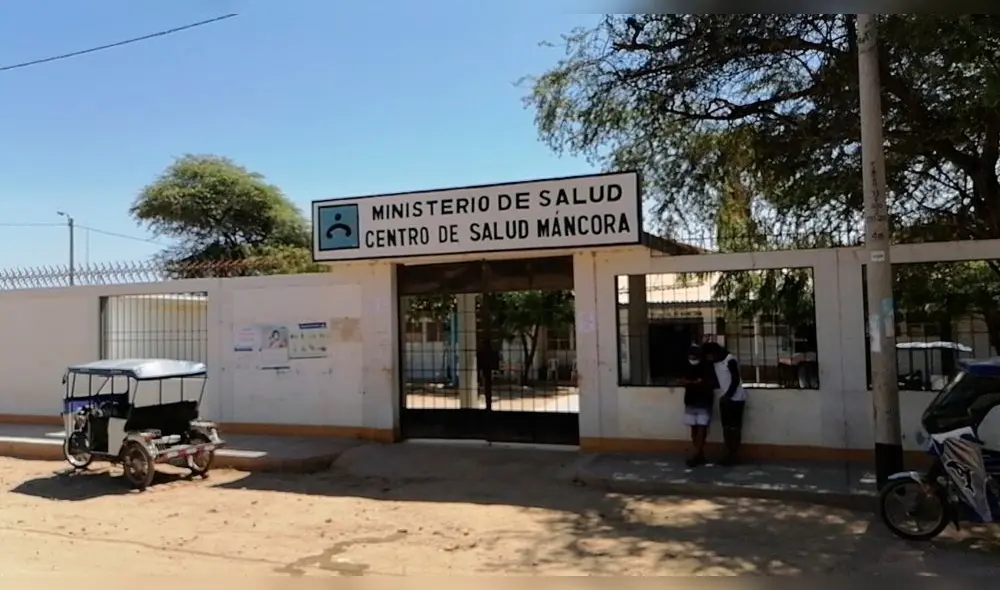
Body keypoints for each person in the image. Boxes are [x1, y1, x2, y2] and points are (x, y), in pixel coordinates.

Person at [702, 341, 747, 466]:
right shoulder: (715, 362)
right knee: (726, 428)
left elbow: (735, 379)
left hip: (736, 398)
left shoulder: (730, 360)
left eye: (711, 356)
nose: (710, 359)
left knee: (735, 428)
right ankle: (728, 453)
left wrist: (728, 396)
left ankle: (734, 454)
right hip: (725, 399)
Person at [682, 344, 715, 467]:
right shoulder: (686, 366)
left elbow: (708, 381)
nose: (692, 358)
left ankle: (696, 454)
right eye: (690, 356)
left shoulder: (706, 366)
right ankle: (699, 453)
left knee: (702, 427)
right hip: (690, 400)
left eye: (694, 356)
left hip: (704, 400)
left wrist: (696, 382)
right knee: (694, 428)